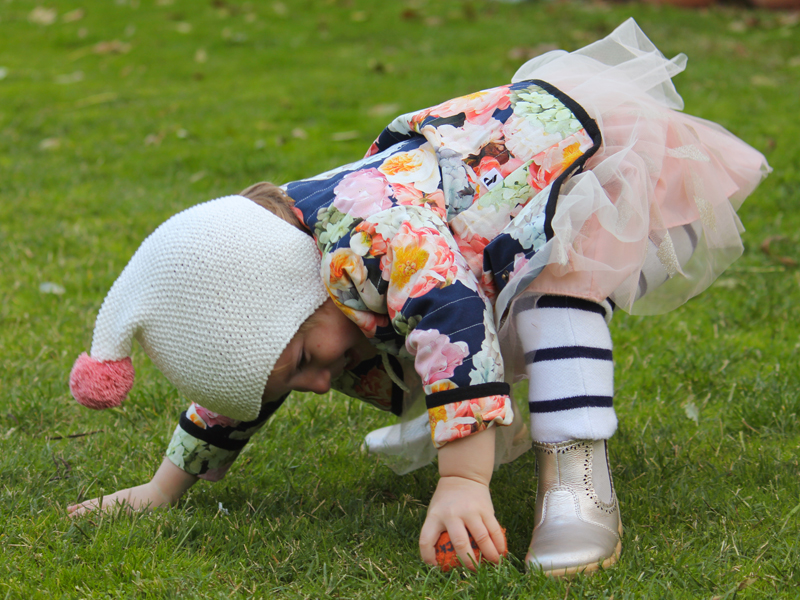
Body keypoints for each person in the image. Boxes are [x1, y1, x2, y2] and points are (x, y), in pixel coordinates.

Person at [66, 19, 769, 576]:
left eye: (306, 358)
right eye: (297, 375)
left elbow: (453, 319)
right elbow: (248, 371)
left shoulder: (378, 235)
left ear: (306, 293)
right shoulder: (286, 276)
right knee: (453, 323)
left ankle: (575, 474)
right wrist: (162, 488)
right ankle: (477, 422)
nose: (314, 385)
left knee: (558, 293)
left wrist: (463, 480)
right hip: (480, 243)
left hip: (581, 187)